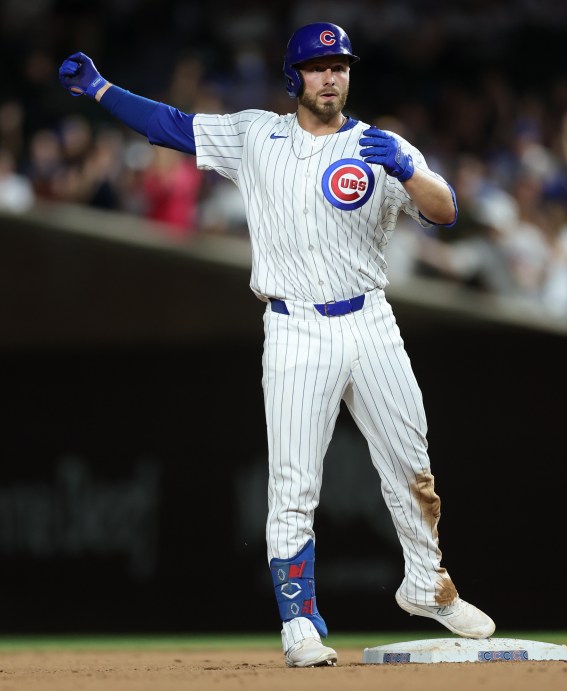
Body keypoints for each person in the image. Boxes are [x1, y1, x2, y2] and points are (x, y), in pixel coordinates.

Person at [58, 22, 495, 667]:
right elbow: (171, 127)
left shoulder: (381, 145)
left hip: (371, 319)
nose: (330, 77)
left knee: (411, 462)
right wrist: (100, 90)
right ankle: (300, 621)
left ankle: (426, 583)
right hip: (295, 325)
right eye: (317, 67)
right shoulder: (256, 135)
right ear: (295, 78)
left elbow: (445, 210)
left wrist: (406, 167)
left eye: (339, 66)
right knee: (294, 478)